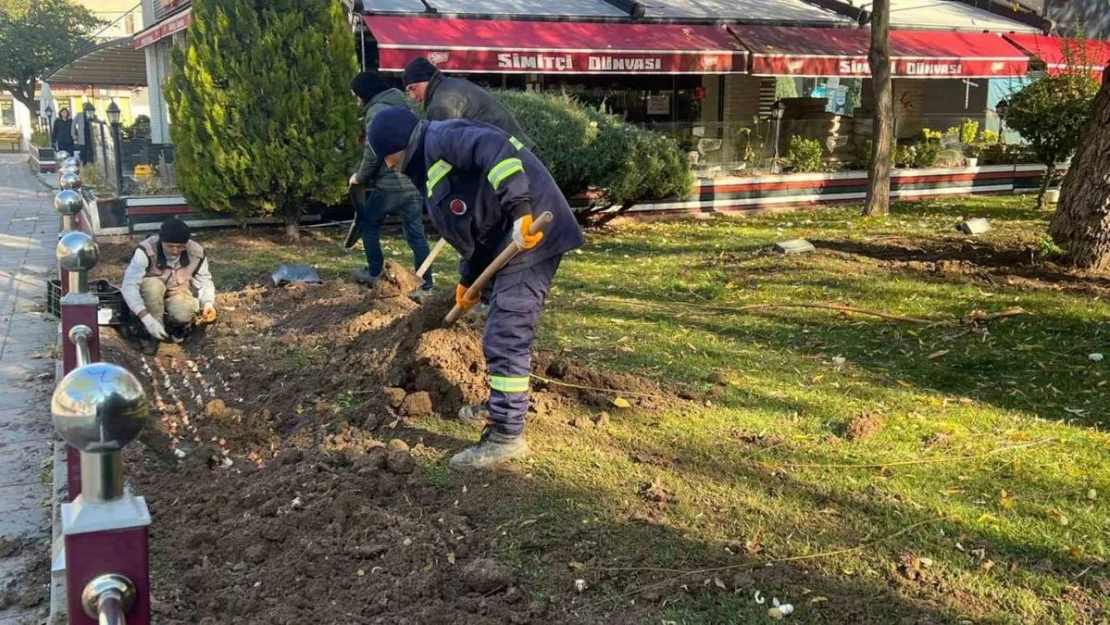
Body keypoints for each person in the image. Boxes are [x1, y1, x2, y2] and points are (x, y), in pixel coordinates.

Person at [368, 106, 584, 471]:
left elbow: (495, 148)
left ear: (398, 145)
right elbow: (472, 230)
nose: (389, 166)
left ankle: (506, 435)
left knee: (506, 334)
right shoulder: (428, 171)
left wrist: (520, 211)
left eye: (388, 157)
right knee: (498, 327)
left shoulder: (441, 137)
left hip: (532, 235)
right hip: (505, 240)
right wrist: (467, 281)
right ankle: (503, 403)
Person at [348, 71, 433, 292]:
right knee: (416, 233)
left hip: (389, 184)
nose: (357, 101)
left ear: (366, 92)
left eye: (357, 95)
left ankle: (374, 272)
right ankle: (425, 283)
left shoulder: (377, 111)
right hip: (413, 181)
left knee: (368, 224)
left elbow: (373, 151)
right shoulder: (403, 104)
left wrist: (360, 177)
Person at [402, 57, 534, 150]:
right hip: (516, 151)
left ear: (427, 80)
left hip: (513, 157)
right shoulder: (448, 86)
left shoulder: (442, 103)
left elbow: (449, 151)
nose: (412, 96)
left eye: (413, 88)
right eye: (408, 92)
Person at [121, 217, 216, 342]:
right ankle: (150, 332)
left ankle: (173, 327)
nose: (175, 251)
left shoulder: (196, 252)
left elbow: (205, 281)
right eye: (170, 246)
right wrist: (146, 318)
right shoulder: (146, 250)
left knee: (183, 313)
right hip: (150, 293)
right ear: (162, 241)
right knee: (153, 286)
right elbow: (129, 286)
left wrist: (208, 303)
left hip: (177, 292)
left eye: (180, 247)